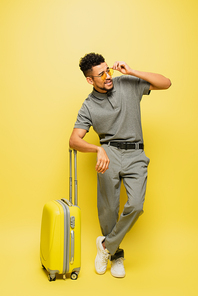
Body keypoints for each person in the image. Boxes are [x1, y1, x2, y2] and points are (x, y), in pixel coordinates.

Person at [69, 53, 171, 278]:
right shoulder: (88, 106)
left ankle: (105, 246)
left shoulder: (126, 83)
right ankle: (116, 257)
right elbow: (74, 140)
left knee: (135, 205)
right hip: (109, 153)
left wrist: (131, 71)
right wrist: (98, 149)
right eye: (101, 74)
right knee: (108, 209)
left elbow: (166, 83)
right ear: (89, 80)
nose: (107, 76)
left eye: (108, 70)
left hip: (136, 154)